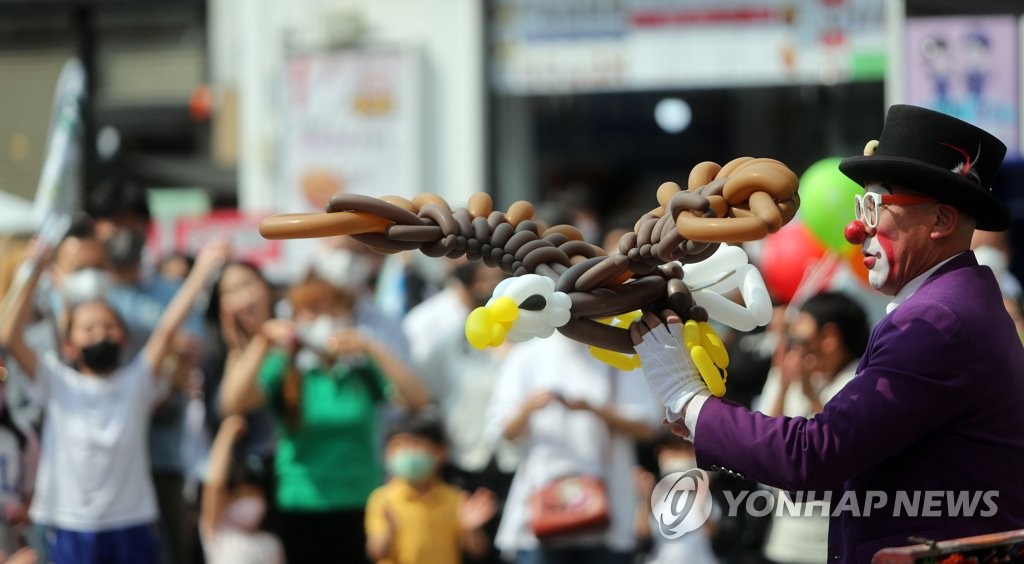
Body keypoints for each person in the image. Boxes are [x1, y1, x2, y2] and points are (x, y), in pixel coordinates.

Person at [630, 104, 1024, 563]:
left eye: (875, 206)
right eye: (861, 206)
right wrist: (704, 417)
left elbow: (815, 454)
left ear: (940, 221)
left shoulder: (938, 321)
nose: (857, 229)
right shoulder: (954, 306)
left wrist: (686, 396)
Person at [0, 239, 228, 564]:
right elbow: (10, 335)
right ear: (68, 345)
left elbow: (166, 328)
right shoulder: (55, 381)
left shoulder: (137, 381)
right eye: (88, 328)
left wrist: (202, 271)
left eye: (108, 326)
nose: (100, 334)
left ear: (124, 338)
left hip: (131, 521)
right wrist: (35, 268)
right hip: (69, 522)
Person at [219, 277, 430, 563]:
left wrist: (372, 348)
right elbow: (234, 401)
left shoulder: (361, 369)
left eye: (334, 308)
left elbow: (417, 399)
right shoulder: (287, 367)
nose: (325, 318)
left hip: (361, 502)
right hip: (302, 505)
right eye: (313, 310)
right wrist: (262, 341)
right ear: (295, 317)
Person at [486, 332, 659, 563]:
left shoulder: (617, 353)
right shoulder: (526, 355)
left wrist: (594, 409)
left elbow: (648, 426)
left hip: (608, 510)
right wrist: (528, 407)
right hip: (540, 505)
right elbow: (500, 430)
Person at [754, 291, 869, 564]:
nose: (793, 348)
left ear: (829, 338)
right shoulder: (788, 376)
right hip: (781, 544)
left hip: (826, 549)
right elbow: (763, 450)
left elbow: (836, 446)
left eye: (798, 340)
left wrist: (808, 391)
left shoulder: (861, 382)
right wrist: (782, 383)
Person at [365, 411, 497, 564]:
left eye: (415, 444)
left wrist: (470, 529)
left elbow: (478, 551)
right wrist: (388, 533)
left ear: (440, 452)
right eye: (398, 446)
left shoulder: (455, 498)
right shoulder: (383, 499)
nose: (407, 452)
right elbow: (375, 552)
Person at [199, 415, 284, 564]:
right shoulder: (218, 534)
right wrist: (227, 432)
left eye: (252, 492)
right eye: (237, 495)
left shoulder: (272, 543)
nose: (247, 500)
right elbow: (214, 484)